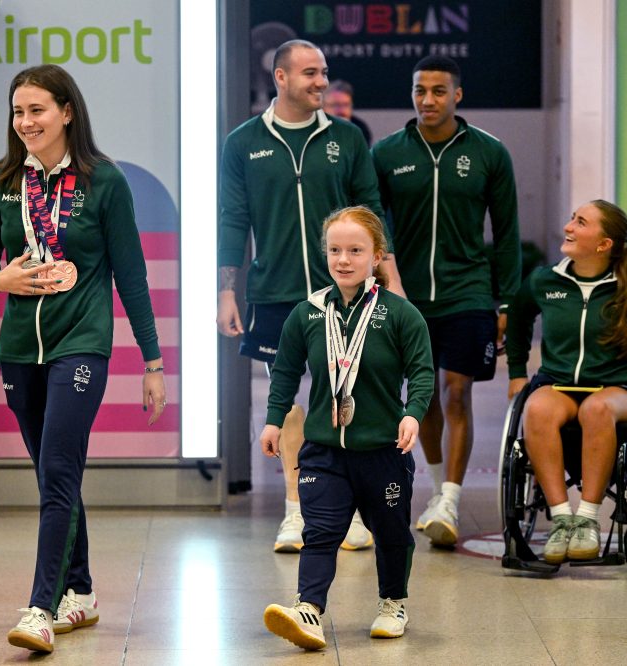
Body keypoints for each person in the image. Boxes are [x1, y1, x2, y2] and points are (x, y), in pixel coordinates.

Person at [0, 64, 167, 654]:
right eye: (17, 112)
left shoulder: (105, 181)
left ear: (67, 112)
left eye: (37, 110)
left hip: (81, 343)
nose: (25, 122)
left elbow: (131, 275)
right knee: (55, 474)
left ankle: (42, 606)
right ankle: (80, 591)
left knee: (57, 471)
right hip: (17, 351)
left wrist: (152, 364)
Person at [219, 39, 403, 554]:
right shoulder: (243, 143)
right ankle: (296, 511)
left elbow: (371, 213)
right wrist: (226, 291)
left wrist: (389, 278)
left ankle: (353, 514)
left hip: (346, 295)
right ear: (280, 78)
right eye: (309, 74)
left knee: (351, 399)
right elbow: (233, 220)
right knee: (290, 405)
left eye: (324, 72)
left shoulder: (345, 138)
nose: (321, 82)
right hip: (275, 293)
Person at [260, 206, 433, 650]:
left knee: (392, 533)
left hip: (382, 449)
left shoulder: (399, 315)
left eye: (355, 250)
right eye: (335, 250)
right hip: (324, 449)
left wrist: (412, 412)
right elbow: (284, 372)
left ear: (376, 256)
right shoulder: (308, 313)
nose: (343, 259)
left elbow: (422, 372)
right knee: (319, 531)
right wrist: (274, 421)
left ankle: (393, 602)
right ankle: (309, 610)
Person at [371, 55, 521, 546]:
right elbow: (374, 225)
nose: (427, 100)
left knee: (458, 392)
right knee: (423, 397)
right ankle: (437, 492)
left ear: (458, 95)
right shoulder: (388, 153)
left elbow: (506, 234)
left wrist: (506, 303)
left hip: (468, 291)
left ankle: (452, 500)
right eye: (419, 90)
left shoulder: (488, 153)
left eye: (438, 90)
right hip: (407, 297)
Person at [506, 199, 627, 564]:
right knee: (536, 408)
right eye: (571, 219)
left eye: (580, 222)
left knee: (597, 409)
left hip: (618, 387)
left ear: (603, 244)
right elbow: (518, 319)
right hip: (560, 382)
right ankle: (562, 518)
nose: (569, 227)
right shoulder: (546, 280)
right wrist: (517, 372)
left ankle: (588, 521)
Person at [324, 79, 373, 146]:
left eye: (346, 105)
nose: (341, 110)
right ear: (322, 107)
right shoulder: (313, 128)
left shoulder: (360, 129)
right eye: (335, 105)